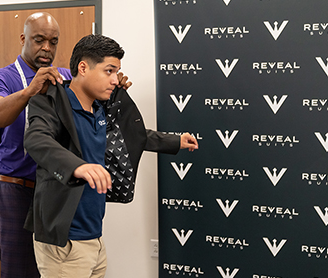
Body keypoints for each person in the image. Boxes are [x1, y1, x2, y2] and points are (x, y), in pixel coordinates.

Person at [23, 34, 198, 278]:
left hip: (94, 236)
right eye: (109, 71)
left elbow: (132, 136)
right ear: (83, 67)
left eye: (116, 72)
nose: (116, 80)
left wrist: (175, 141)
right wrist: (77, 167)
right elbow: (36, 139)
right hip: (65, 240)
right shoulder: (50, 102)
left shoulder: (100, 108)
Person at [0, 12, 131, 278]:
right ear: (23, 39)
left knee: (55, 268)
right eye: (39, 40)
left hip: (55, 188)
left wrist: (111, 82)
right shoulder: (1, 77)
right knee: (18, 269)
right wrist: (28, 92)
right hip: (15, 186)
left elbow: (89, 96)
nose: (47, 48)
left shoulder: (63, 77)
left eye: (53, 41)